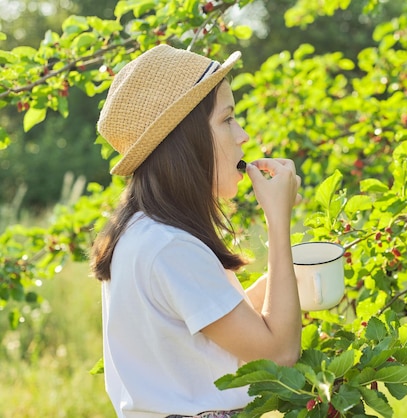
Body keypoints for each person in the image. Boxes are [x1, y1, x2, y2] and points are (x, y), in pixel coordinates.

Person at [90, 44, 303, 418]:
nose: (244, 136)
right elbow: (279, 354)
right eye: (227, 120)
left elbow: (221, 321)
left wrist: (297, 269)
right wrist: (278, 223)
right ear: (187, 140)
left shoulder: (147, 232)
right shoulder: (170, 247)